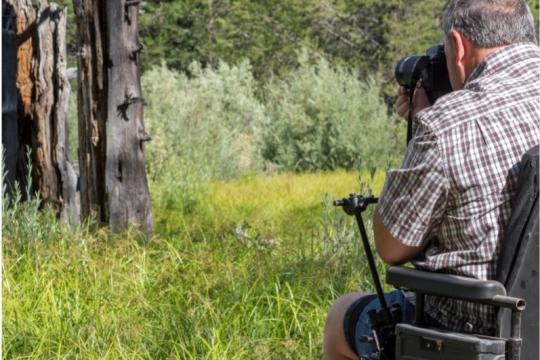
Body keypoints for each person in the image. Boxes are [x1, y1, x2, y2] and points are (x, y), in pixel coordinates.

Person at [323, 1, 540, 359]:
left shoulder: (448, 125)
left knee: (340, 319)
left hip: (481, 331)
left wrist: (429, 119)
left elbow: (392, 247)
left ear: (457, 45)